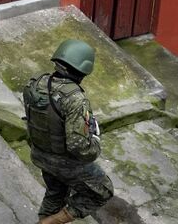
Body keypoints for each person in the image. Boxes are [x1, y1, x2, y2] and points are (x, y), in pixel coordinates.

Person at [23, 40, 114, 224]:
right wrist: (95, 141)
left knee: (55, 193)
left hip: (40, 154)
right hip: (64, 162)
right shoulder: (75, 99)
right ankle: (49, 222)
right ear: (84, 69)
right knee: (103, 191)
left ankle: (46, 218)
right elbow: (78, 147)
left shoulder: (36, 83)